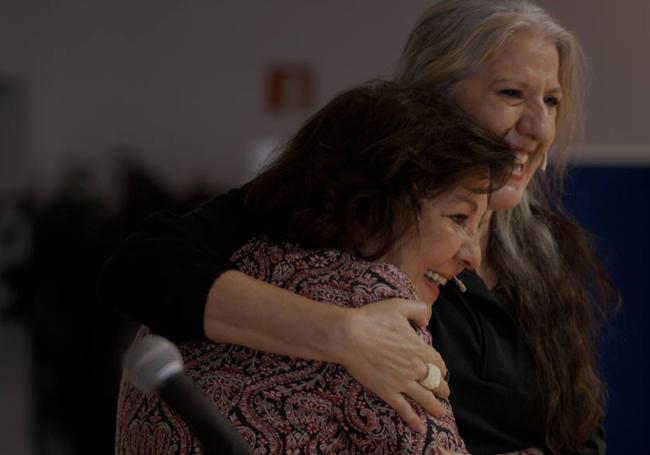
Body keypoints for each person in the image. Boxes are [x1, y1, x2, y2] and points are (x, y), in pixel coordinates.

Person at [100, 1, 618, 453]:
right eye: (511, 93)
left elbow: (578, 435)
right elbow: (141, 267)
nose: (540, 126)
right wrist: (342, 334)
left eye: (551, 100)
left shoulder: (552, 252)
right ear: (432, 100)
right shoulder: (338, 226)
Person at [114, 82, 516, 454]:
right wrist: (347, 333)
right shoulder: (375, 302)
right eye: (459, 218)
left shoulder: (237, 258)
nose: (473, 257)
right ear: (374, 207)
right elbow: (135, 265)